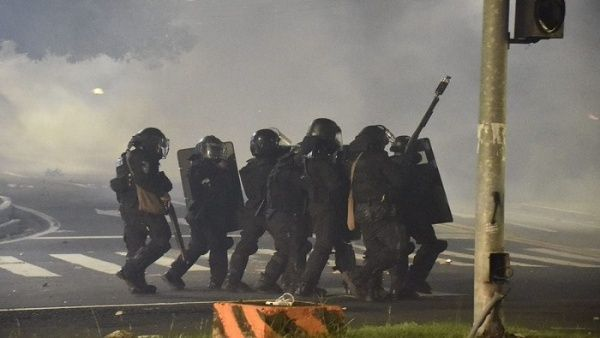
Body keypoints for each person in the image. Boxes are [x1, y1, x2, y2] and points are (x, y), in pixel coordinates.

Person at [342, 125, 415, 300]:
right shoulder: (379, 158)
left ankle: (371, 291)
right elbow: (399, 182)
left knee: (375, 251)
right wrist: (404, 164)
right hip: (380, 210)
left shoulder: (355, 158)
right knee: (399, 249)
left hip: (362, 211)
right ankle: (358, 277)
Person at [162, 136, 239, 290]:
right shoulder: (200, 168)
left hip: (202, 214)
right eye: (213, 150)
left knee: (198, 246)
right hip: (207, 215)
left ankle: (174, 274)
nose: (216, 154)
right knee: (218, 245)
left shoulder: (204, 166)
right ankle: (217, 281)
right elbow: (212, 191)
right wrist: (221, 170)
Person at [295, 118, 356, 297]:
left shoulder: (307, 157)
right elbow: (335, 185)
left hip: (320, 206)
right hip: (325, 206)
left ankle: (353, 282)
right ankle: (306, 285)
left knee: (341, 244)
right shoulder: (319, 160)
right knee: (323, 246)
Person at [223, 128, 287, 292]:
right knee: (287, 246)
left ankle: (232, 280)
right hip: (270, 212)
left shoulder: (250, 167)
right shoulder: (275, 166)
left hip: (252, 211)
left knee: (245, 244)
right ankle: (267, 281)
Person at [115, 127, 173, 294]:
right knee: (162, 238)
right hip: (142, 206)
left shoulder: (126, 157)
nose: (159, 148)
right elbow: (145, 180)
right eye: (157, 143)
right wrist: (162, 191)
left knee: (135, 244)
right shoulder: (143, 158)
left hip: (129, 206)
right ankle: (129, 271)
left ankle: (137, 284)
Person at [389, 135, 448, 294]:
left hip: (408, 215)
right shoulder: (397, 168)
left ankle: (409, 281)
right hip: (404, 215)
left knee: (427, 245)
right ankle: (407, 282)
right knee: (402, 248)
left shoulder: (392, 166)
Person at [255, 144, 309, 293]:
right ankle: (290, 283)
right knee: (292, 249)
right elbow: (307, 188)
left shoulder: (280, 168)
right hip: (284, 216)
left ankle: (269, 281)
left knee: (288, 248)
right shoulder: (290, 172)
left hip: (277, 216)